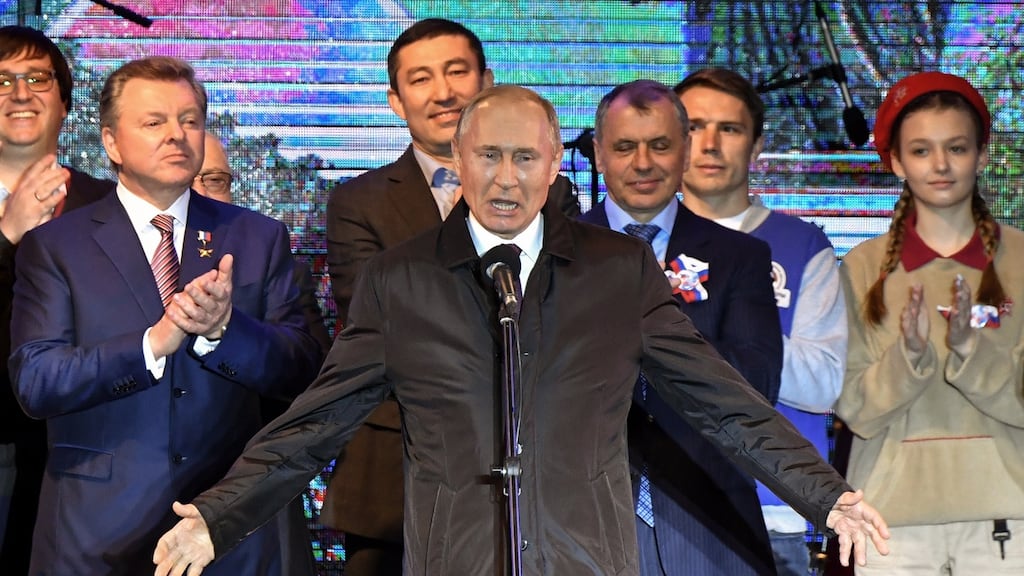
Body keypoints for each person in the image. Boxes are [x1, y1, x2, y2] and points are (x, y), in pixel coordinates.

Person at [153, 84, 889, 576]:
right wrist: (217, 518)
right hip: (456, 558)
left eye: (524, 159)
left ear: (553, 168)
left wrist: (825, 495)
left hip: (587, 559)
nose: (506, 180)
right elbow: (315, 424)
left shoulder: (617, 271)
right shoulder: (402, 281)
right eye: (489, 157)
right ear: (459, 162)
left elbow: (721, 402)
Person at [8, 56, 324, 575]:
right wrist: (151, 344)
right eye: (154, 122)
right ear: (110, 142)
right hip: (97, 535)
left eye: (190, 121)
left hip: (229, 529)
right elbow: (38, 382)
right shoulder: (55, 246)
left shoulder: (257, 237)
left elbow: (305, 369)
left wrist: (224, 332)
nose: (176, 135)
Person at [323, 18, 579, 575]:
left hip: (532, 476)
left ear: (486, 82)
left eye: (457, 72)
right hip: (398, 478)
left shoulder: (551, 188)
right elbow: (387, 327)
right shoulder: (357, 203)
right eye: (420, 79)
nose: (442, 92)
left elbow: (559, 316)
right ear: (396, 101)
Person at [579, 79, 782, 576]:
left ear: (685, 150)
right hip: (587, 526)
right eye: (625, 147)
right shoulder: (557, 255)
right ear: (600, 156)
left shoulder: (740, 257)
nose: (643, 163)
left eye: (660, 145)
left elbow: (756, 386)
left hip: (712, 527)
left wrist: (645, 338)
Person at [836, 71, 1024, 574]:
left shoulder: (1021, 259)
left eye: (957, 148)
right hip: (890, 522)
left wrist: (969, 352)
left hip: (1007, 520)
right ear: (896, 161)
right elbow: (854, 407)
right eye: (921, 151)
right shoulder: (860, 267)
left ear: (982, 154)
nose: (940, 165)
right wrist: (911, 357)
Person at [675, 68, 847, 576]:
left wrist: (733, 330)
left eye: (728, 129)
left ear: (755, 145)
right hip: (663, 506)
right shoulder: (638, 241)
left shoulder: (801, 244)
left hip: (774, 512)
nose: (708, 144)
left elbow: (824, 384)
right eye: (692, 126)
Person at [0, 25, 114, 575]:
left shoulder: (113, 204)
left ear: (65, 104)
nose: (20, 93)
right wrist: (8, 237)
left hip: (90, 458)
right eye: (1, 80)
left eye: (37, 78)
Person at [194, 130, 331, 574]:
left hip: (249, 503)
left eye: (214, 180)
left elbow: (307, 372)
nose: (199, 192)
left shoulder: (273, 259)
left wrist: (226, 329)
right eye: (188, 179)